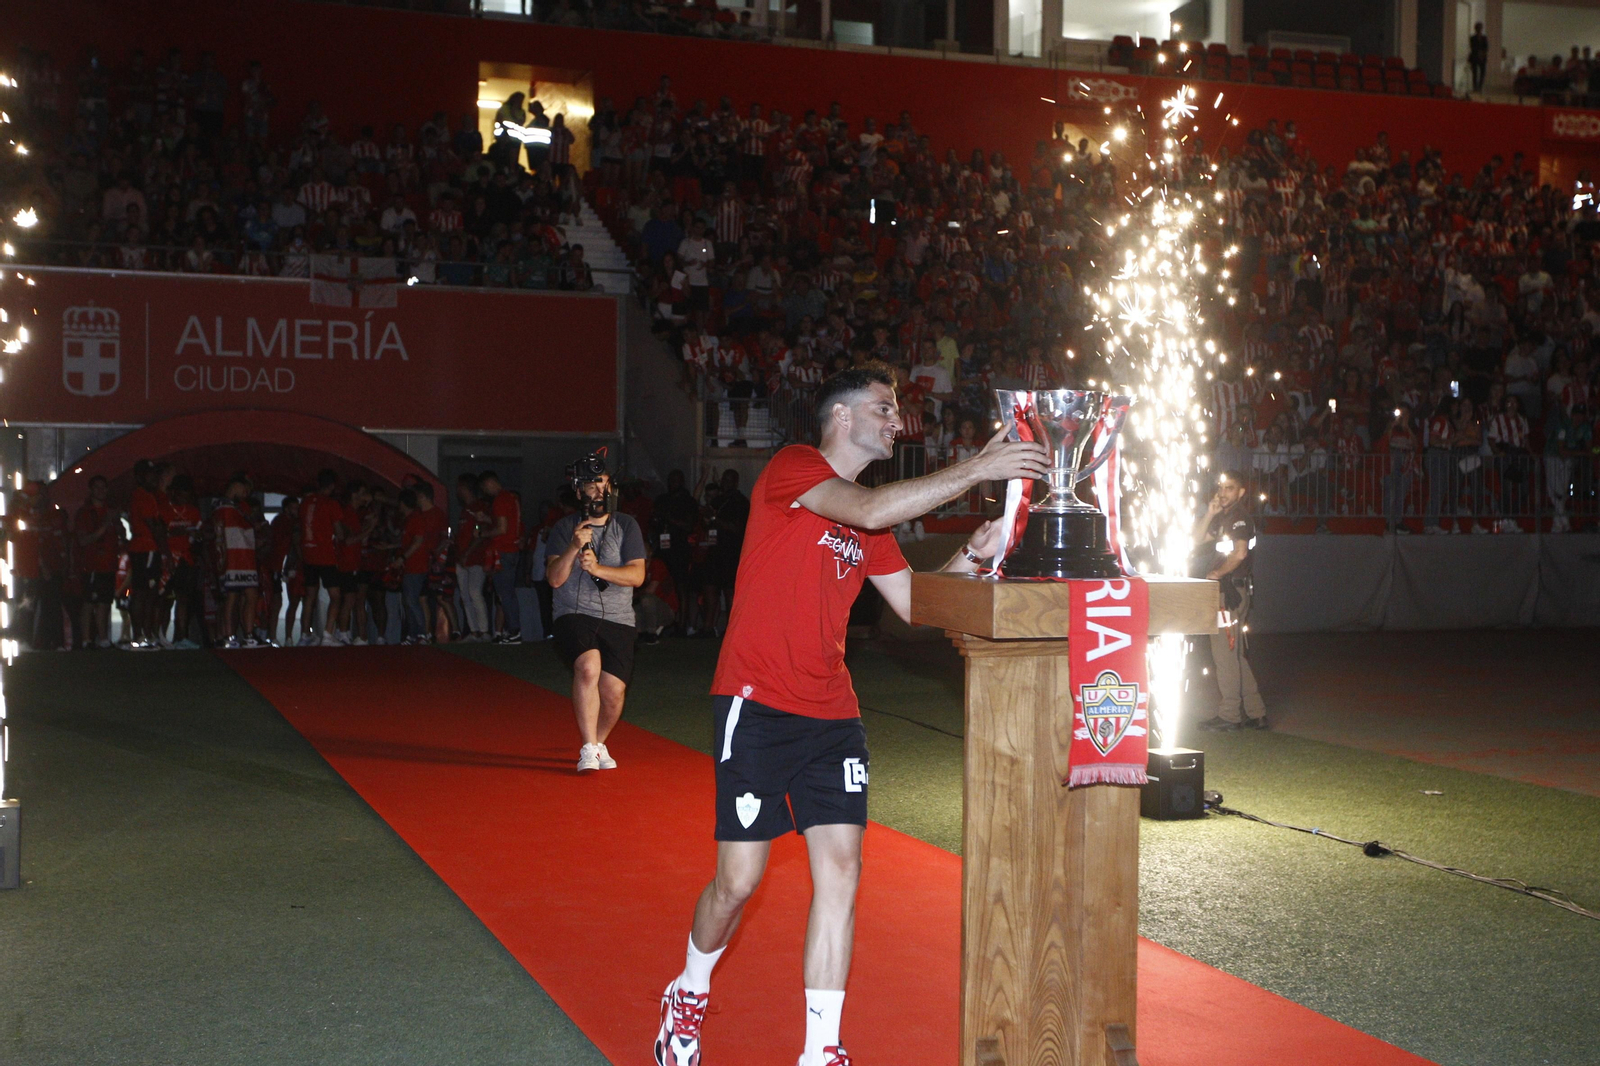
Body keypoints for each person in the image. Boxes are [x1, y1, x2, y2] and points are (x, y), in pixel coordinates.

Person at [654, 363, 1047, 1066]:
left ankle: (821, 1049)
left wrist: (971, 554)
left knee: (841, 873)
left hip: (832, 714)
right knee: (738, 883)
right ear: (841, 417)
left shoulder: (871, 515)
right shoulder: (794, 469)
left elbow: (915, 608)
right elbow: (866, 512)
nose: (897, 420)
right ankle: (689, 986)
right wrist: (977, 466)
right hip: (757, 702)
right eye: (884, 407)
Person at [544, 454, 647, 773]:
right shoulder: (563, 528)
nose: (599, 491)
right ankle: (588, 747)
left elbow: (637, 576)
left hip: (618, 618)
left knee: (614, 692)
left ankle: (598, 743)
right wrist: (574, 547)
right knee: (588, 667)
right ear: (578, 492)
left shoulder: (626, 525)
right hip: (573, 613)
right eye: (591, 485)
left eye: (603, 483)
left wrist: (600, 569)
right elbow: (554, 579)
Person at [1195, 472, 1266, 730]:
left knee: (1224, 653)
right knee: (1234, 653)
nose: (1223, 492)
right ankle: (1256, 712)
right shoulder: (1225, 517)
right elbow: (1195, 541)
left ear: (1241, 493)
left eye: (1230, 488)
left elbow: (1240, 553)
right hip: (1234, 591)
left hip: (1229, 593)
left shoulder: (1238, 519)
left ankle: (1229, 715)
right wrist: (1210, 513)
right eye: (1221, 487)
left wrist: (1217, 573)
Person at [213, 474, 262, 649]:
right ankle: (229, 636)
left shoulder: (239, 506)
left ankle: (248, 636)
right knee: (232, 598)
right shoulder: (223, 506)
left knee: (250, 595)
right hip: (232, 558)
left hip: (244, 557)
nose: (246, 494)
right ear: (236, 485)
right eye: (245, 490)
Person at [479, 470, 528, 643]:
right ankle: (511, 630)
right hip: (512, 549)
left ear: (490, 483)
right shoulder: (511, 498)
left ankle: (514, 630)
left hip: (504, 551)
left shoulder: (500, 499)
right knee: (507, 592)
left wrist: (484, 534)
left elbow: (502, 528)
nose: (485, 491)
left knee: (505, 593)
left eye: (485, 487)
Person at [298, 469, 345, 645]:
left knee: (309, 596)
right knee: (335, 596)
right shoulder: (331, 504)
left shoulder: (305, 503)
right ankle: (327, 634)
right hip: (326, 556)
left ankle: (304, 634)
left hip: (308, 555)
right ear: (332, 486)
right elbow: (339, 532)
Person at [396, 483, 447, 644]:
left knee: (416, 600)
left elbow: (438, 539)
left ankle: (423, 633)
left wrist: (436, 555)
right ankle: (415, 634)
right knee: (414, 600)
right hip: (417, 563)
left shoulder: (427, 516)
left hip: (422, 563)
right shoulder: (416, 516)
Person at [73, 475, 119, 650]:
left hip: (108, 564)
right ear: (91, 490)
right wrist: (106, 524)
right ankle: (86, 640)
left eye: (103, 487)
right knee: (89, 601)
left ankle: (103, 638)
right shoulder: (85, 513)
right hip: (92, 564)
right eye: (97, 487)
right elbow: (83, 540)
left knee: (105, 602)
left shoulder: (109, 511)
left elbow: (118, 534)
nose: (101, 491)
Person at [455, 473, 493, 642]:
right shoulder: (464, 510)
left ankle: (484, 631)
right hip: (462, 559)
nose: (457, 491)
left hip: (476, 558)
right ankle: (474, 631)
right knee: (465, 595)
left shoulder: (479, 507)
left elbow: (480, 534)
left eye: (459, 487)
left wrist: (467, 553)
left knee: (475, 592)